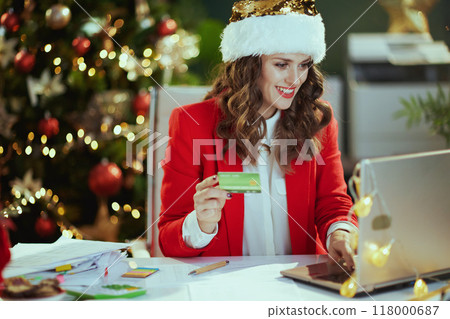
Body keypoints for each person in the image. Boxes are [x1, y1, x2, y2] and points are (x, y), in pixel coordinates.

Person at [158, 0, 358, 268]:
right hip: (227, 287)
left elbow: (333, 203)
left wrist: (340, 234)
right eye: (281, 64)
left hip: (300, 287)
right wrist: (200, 223)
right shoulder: (191, 123)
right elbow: (167, 237)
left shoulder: (317, 122)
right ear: (250, 64)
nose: (295, 80)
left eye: (303, 65)